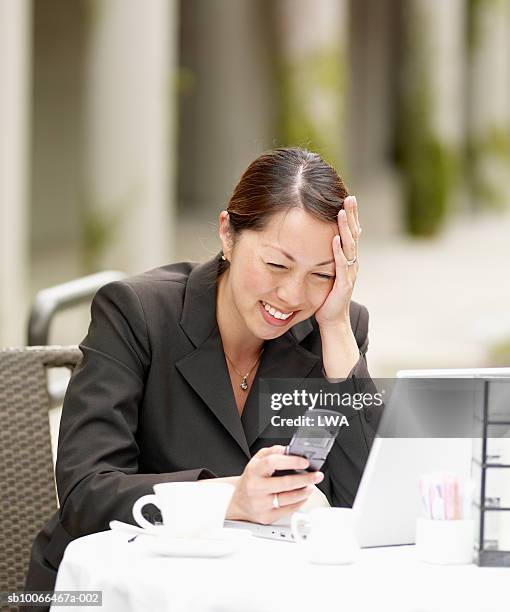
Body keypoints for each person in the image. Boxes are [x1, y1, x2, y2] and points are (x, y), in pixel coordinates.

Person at [25, 147, 380, 599]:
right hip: (120, 592)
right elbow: (85, 493)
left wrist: (335, 327)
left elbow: (367, 501)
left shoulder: (332, 331)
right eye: (276, 264)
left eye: (321, 274)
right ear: (228, 235)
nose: (292, 294)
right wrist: (230, 497)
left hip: (261, 591)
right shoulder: (136, 312)